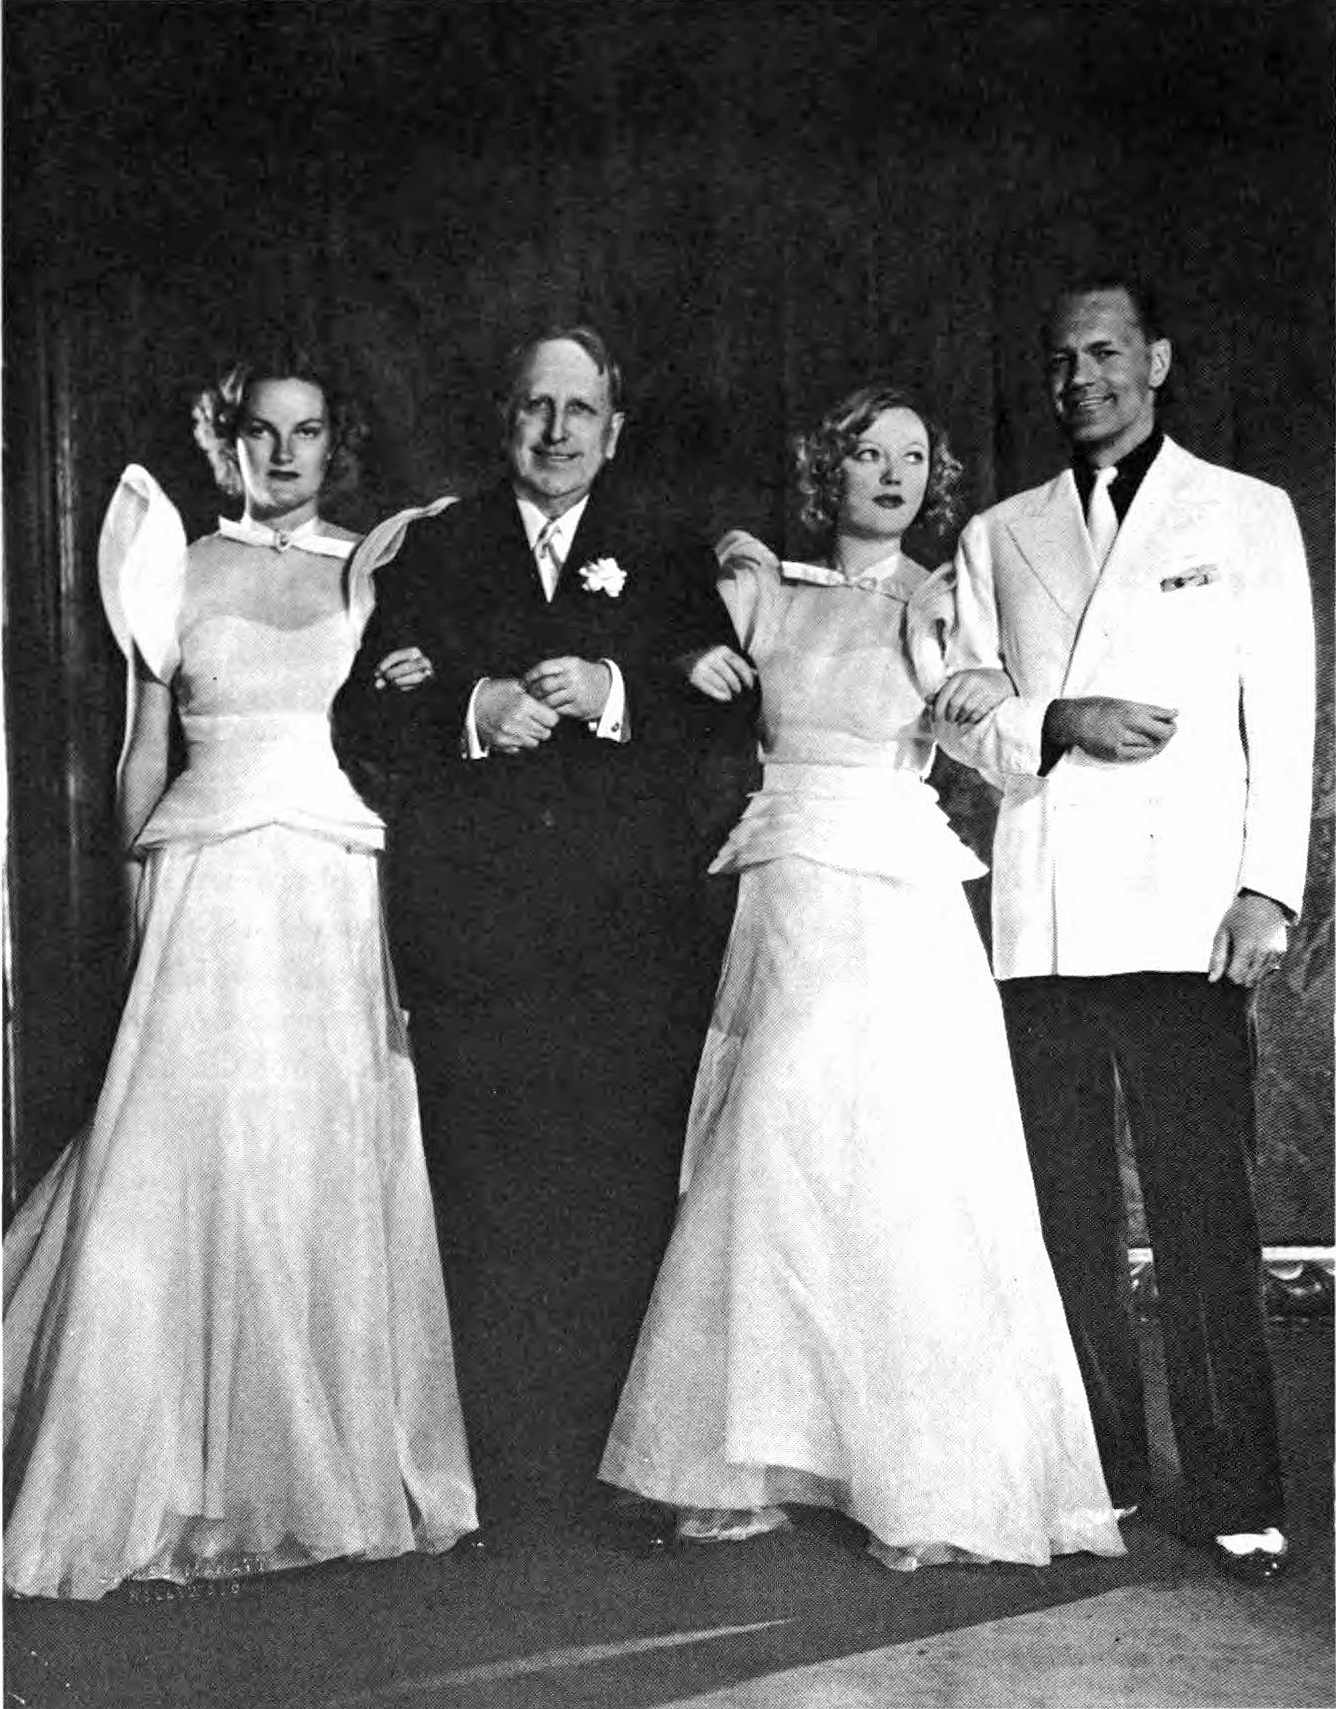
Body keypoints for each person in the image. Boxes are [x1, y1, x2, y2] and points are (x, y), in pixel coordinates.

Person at [597, 385, 1125, 1572]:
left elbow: (997, 748)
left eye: (912, 457)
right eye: (867, 453)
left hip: (897, 886)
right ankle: (755, 1459)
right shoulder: (763, 587)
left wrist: (1011, 701)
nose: (891, 473)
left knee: (903, 1159)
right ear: (825, 468)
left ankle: (918, 1472)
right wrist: (686, 652)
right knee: (773, 1144)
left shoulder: (945, 597)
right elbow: (662, 654)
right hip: (787, 873)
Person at [3, 352, 477, 1600]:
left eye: (306, 432)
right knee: (196, 1149)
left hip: (324, 878)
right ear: (227, 442)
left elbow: (394, 737)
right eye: (261, 431)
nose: (283, 453)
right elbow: (141, 751)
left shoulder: (369, 568)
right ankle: (177, 1478)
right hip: (205, 881)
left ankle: (313, 1469)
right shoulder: (172, 565)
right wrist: (135, 903)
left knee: (310, 1146)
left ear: (333, 444)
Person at [932, 275, 1315, 1582]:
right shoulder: (998, 532)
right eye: (1060, 359)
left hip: (1187, 910)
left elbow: (1284, 711)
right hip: (1045, 915)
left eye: (1104, 351)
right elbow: (958, 710)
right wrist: (1060, 718)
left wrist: (1267, 887)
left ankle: (1236, 1487)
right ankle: (1097, 1465)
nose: (1081, 378)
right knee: (1067, 1209)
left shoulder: (1245, 513)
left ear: (1156, 359)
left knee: (1204, 1206)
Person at [334, 325, 740, 1535]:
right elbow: (365, 713)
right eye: (535, 408)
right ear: (505, 419)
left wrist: (618, 696)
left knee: (618, 1194)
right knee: (486, 1196)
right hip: (479, 938)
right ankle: (504, 1482)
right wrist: (476, 706)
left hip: (629, 941)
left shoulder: (666, 549)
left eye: (579, 411)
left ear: (614, 429)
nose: (556, 432)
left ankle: (615, 1475)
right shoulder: (439, 546)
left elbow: (732, 721)